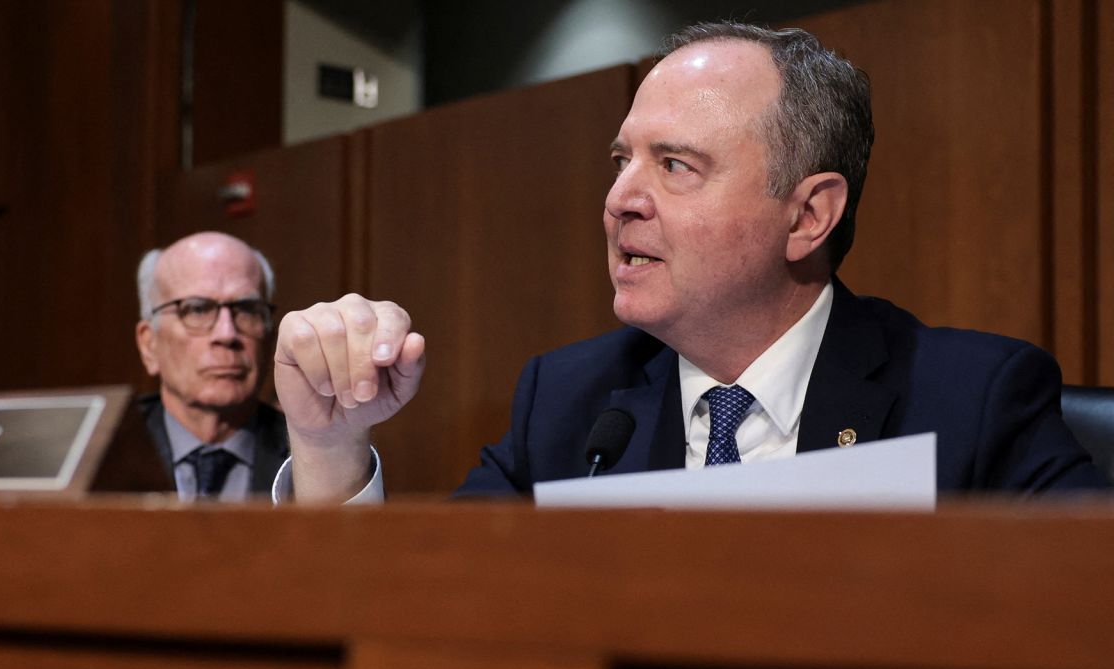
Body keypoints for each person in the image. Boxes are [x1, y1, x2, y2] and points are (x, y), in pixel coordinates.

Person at [269, 22, 1110, 504]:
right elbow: (423, 617)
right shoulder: (568, 407)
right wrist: (330, 444)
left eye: (675, 166)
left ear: (809, 214)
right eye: (620, 161)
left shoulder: (973, 401)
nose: (620, 200)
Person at [132, 231, 289, 500]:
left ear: (270, 337)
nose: (227, 334)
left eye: (248, 309)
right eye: (197, 310)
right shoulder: (100, 452)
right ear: (149, 345)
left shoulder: (311, 454)